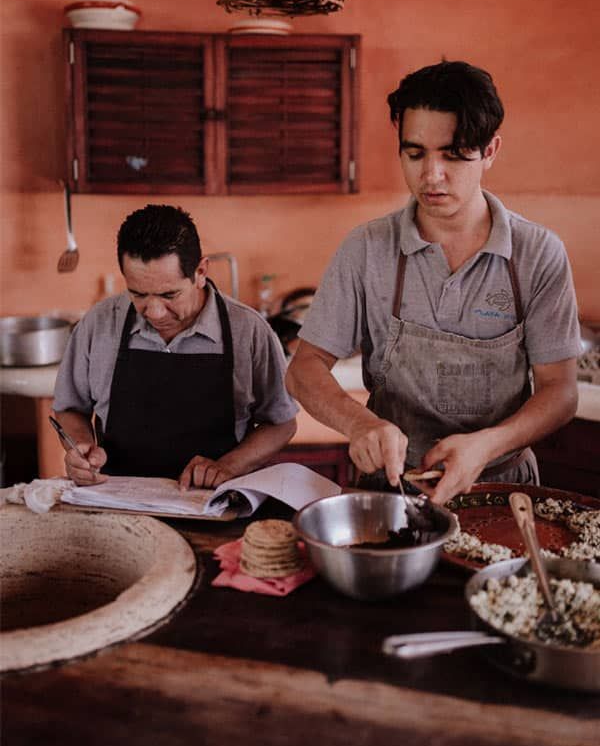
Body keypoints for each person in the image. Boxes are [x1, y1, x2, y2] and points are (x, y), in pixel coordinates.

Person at [286, 60, 580, 505]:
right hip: (390, 491)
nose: (431, 175)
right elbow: (304, 368)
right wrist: (358, 423)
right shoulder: (366, 249)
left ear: (490, 151)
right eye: (415, 153)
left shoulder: (537, 253)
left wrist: (486, 446)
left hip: (502, 490)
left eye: (453, 154)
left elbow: (561, 390)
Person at [53, 204, 297, 489]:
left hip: (212, 501)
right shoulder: (99, 324)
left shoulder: (249, 330)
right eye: (138, 294)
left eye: (170, 295)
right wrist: (81, 448)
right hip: (118, 501)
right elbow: (70, 409)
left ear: (200, 272)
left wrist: (228, 466)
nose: (155, 312)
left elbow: (281, 424)